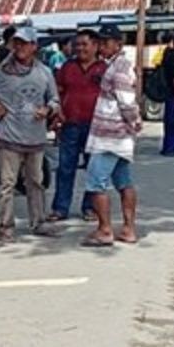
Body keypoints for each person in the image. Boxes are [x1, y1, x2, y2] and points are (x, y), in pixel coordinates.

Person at [0, 26, 60, 242]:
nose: (19, 47)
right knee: (7, 185)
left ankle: (39, 221)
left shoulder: (44, 72)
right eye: (16, 43)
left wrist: (48, 110)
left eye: (24, 43)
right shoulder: (0, 72)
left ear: (34, 46)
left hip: (36, 138)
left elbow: (54, 99)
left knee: (36, 182)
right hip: (9, 138)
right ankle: (6, 227)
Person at [82, 24, 141, 246]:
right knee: (123, 181)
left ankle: (105, 229)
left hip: (111, 136)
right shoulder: (114, 65)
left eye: (106, 43)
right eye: (101, 42)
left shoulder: (120, 68)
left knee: (96, 182)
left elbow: (127, 102)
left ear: (118, 43)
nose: (102, 47)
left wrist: (134, 123)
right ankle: (128, 228)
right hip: (113, 134)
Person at [48, 28, 106, 222]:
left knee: (93, 168)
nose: (80, 48)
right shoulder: (67, 67)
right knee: (65, 168)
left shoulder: (104, 69)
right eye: (77, 44)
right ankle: (60, 208)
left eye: (84, 44)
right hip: (70, 124)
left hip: (96, 126)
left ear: (96, 46)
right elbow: (57, 91)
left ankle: (89, 207)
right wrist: (58, 113)